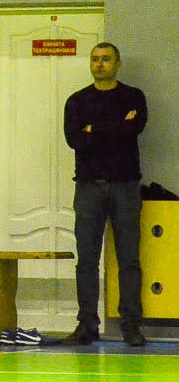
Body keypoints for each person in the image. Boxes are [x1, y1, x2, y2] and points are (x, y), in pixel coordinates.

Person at [63, 42, 147, 347]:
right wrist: (115, 127)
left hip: (125, 186)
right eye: (95, 59)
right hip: (88, 186)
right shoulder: (77, 101)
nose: (100, 64)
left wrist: (93, 130)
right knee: (87, 259)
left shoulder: (133, 96)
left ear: (118, 64)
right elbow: (74, 140)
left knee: (128, 259)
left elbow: (133, 130)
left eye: (106, 59)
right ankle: (87, 325)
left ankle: (131, 325)